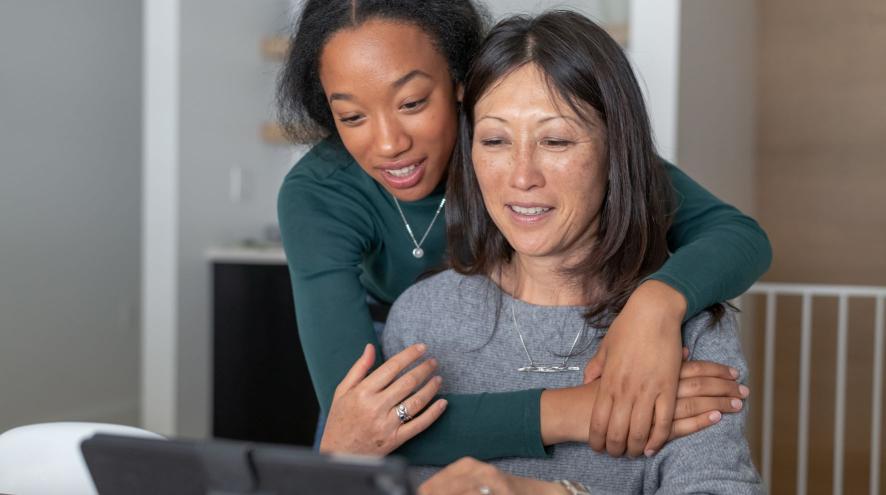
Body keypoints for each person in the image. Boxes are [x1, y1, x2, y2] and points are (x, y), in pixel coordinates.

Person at [276, 0, 769, 464]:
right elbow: (365, 420)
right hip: (392, 361)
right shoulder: (319, 194)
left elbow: (737, 235)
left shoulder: (523, 139)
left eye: (412, 102)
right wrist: (588, 410)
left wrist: (655, 306)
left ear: (460, 81)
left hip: (521, 336)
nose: (389, 143)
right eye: (352, 116)